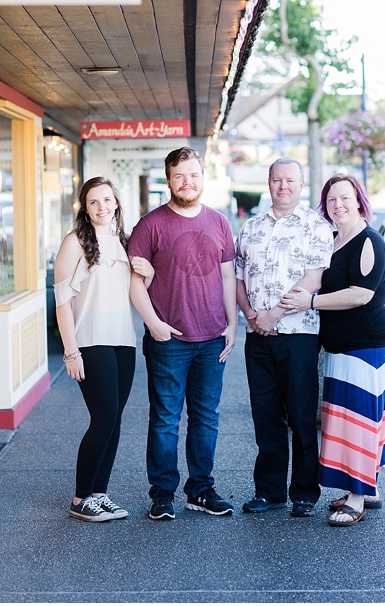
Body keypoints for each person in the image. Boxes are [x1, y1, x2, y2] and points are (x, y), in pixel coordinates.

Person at [128, 146, 238, 521]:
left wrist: (233, 323)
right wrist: (154, 325)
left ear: (202, 177)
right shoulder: (151, 225)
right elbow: (135, 285)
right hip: (168, 340)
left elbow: (227, 277)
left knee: (206, 417)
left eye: (193, 175)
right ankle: (162, 494)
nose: (187, 182)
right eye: (179, 176)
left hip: (211, 339)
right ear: (169, 179)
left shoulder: (220, 223)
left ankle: (201, 490)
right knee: (165, 418)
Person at [280, 173, 385, 527]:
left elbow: (361, 294)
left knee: (360, 420)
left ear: (359, 200)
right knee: (350, 420)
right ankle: (365, 487)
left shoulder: (368, 242)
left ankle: (357, 499)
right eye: (331, 200)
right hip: (341, 347)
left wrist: (311, 301)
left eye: (344, 198)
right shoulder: (332, 240)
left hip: (367, 345)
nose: (338, 205)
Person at [235, 158, 333, 517]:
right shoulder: (250, 228)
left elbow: (314, 279)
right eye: (277, 180)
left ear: (301, 185)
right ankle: (270, 491)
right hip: (257, 337)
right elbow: (239, 278)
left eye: (290, 180)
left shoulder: (316, 227)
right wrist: (251, 316)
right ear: (269, 183)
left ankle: (305, 492)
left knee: (302, 414)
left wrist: (273, 315)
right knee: (266, 416)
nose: (283, 186)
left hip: (298, 335)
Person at [55, 178, 147, 522]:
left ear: (116, 204)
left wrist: (149, 273)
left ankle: (99, 493)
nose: (101, 207)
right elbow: (62, 302)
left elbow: (133, 291)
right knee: (104, 417)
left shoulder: (123, 242)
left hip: (123, 341)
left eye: (107, 200)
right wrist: (70, 351)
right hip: (90, 341)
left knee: (115, 420)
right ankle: (80, 499)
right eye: (93, 202)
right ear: (85, 207)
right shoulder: (75, 241)